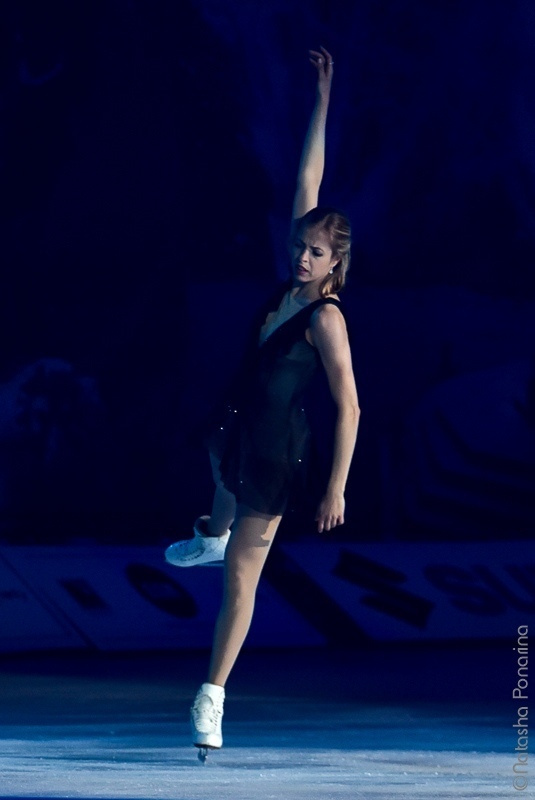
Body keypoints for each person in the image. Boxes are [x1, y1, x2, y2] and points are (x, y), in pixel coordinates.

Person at [165, 46, 360, 759]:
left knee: (240, 580)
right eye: (300, 245)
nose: (301, 257)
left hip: (278, 451)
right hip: (238, 423)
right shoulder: (290, 286)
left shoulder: (325, 319)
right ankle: (211, 535)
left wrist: (335, 487)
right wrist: (321, 99)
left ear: (336, 262)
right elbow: (307, 178)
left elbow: (350, 407)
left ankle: (211, 697)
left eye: (315, 252)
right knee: (217, 456)